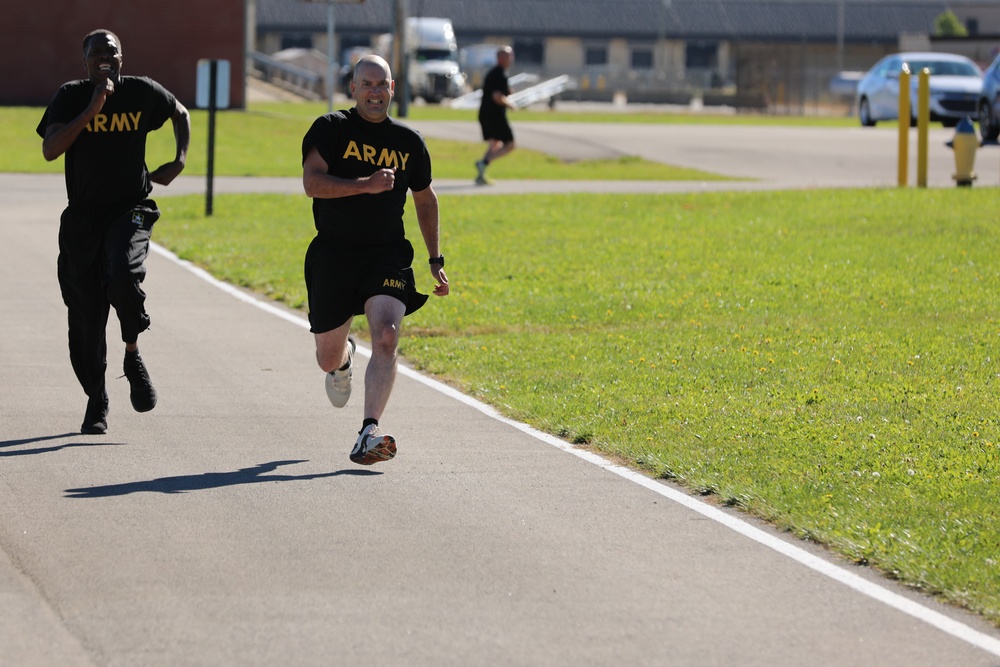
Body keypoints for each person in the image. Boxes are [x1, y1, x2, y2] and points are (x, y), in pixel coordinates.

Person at [36, 29, 190, 435]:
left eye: (112, 52)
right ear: (84, 61)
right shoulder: (71, 97)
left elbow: (180, 112)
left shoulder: (142, 92)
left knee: (122, 274)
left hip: (131, 209)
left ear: (123, 57)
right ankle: (97, 398)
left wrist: (179, 159)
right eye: (96, 53)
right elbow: (51, 150)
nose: (105, 58)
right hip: (83, 219)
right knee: (85, 319)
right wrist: (93, 107)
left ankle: (132, 354)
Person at [301, 55, 449, 466]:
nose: (375, 92)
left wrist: (435, 259)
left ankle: (368, 432)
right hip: (333, 253)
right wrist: (364, 185)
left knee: (386, 336)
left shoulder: (408, 141)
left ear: (393, 87)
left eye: (382, 84)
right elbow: (312, 183)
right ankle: (343, 361)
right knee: (326, 358)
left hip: (386, 255)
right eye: (367, 84)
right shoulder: (330, 129)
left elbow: (425, 199)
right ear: (352, 88)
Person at [475, 46, 516, 185]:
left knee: (495, 143)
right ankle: (484, 162)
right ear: (502, 58)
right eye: (509, 56)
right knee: (510, 144)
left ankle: (481, 172)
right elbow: (496, 96)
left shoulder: (494, 73)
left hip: (485, 113)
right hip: (494, 115)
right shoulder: (500, 74)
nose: (511, 59)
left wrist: (507, 92)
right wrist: (509, 103)